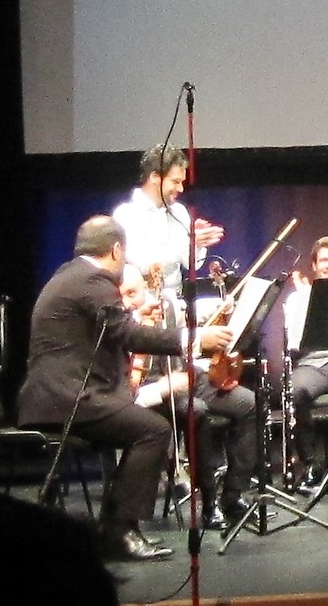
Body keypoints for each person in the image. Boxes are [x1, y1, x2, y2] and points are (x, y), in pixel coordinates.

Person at [15, 216, 222, 560]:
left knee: (147, 425)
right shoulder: (94, 279)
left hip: (54, 397)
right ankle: (120, 530)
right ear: (116, 249)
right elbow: (126, 333)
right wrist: (196, 339)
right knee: (153, 430)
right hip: (67, 401)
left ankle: (113, 525)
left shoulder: (68, 274)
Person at [117, 264, 260, 530]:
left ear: (146, 289)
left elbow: (189, 328)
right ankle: (208, 502)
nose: (127, 303)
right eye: (122, 295)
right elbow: (126, 392)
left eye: (133, 294)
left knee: (249, 403)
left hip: (186, 377)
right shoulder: (116, 324)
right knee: (198, 411)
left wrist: (220, 309)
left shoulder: (164, 305)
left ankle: (233, 494)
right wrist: (164, 386)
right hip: (150, 392)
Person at [279, 235, 328, 489]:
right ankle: (309, 463)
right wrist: (307, 301)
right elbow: (294, 343)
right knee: (295, 391)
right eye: (324, 260)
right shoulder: (297, 298)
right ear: (314, 265)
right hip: (313, 365)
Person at [112, 144, 225, 297]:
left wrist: (197, 244)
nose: (181, 189)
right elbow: (144, 264)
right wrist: (187, 242)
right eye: (175, 181)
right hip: (142, 304)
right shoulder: (126, 214)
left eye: (182, 183)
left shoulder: (179, 211)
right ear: (154, 177)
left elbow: (192, 264)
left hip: (177, 300)